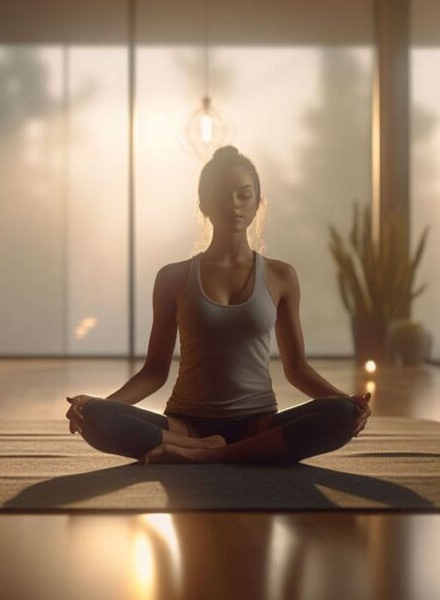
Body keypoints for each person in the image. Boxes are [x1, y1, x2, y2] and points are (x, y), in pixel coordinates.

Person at [65, 145, 371, 465]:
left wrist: (349, 404)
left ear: (258, 204)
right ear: (204, 204)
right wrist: (102, 405)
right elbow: (154, 372)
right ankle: (209, 449)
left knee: (340, 414)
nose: (234, 204)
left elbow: (297, 369)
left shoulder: (281, 276)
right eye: (222, 194)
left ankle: (211, 455)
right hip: (186, 427)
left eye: (244, 194)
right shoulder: (174, 277)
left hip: (258, 424)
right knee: (95, 416)